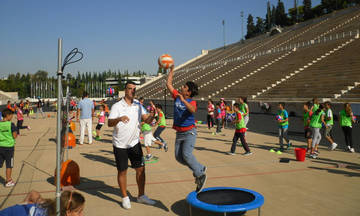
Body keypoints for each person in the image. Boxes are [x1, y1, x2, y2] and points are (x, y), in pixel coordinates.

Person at [108, 81, 156, 209]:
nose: (132, 91)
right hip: (120, 144)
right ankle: (125, 197)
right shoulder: (117, 106)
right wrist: (119, 118)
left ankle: (141, 196)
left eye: (134, 89)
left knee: (141, 169)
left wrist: (153, 114)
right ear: (125, 90)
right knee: (122, 171)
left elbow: (147, 120)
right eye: (130, 89)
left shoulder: (138, 106)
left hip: (134, 143)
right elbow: (109, 123)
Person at [166, 65, 207, 193]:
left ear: (188, 92)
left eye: (184, 87)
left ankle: (200, 175)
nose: (182, 87)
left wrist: (184, 100)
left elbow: (193, 110)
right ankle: (200, 168)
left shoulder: (191, 101)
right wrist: (172, 71)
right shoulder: (177, 96)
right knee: (179, 158)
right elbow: (169, 84)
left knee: (187, 155)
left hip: (189, 132)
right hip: (179, 133)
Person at [0, 190, 85, 216]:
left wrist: (24, 203)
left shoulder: (51, 205)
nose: (82, 214)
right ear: (68, 212)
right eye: (78, 211)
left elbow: (33, 193)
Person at [0, 108, 18, 187]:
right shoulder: (11, 124)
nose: (12, 117)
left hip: (0, 146)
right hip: (9, 148)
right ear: (8, 115)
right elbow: (14, 136)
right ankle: (8, 180)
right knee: (9, 165)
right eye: (11, 115)